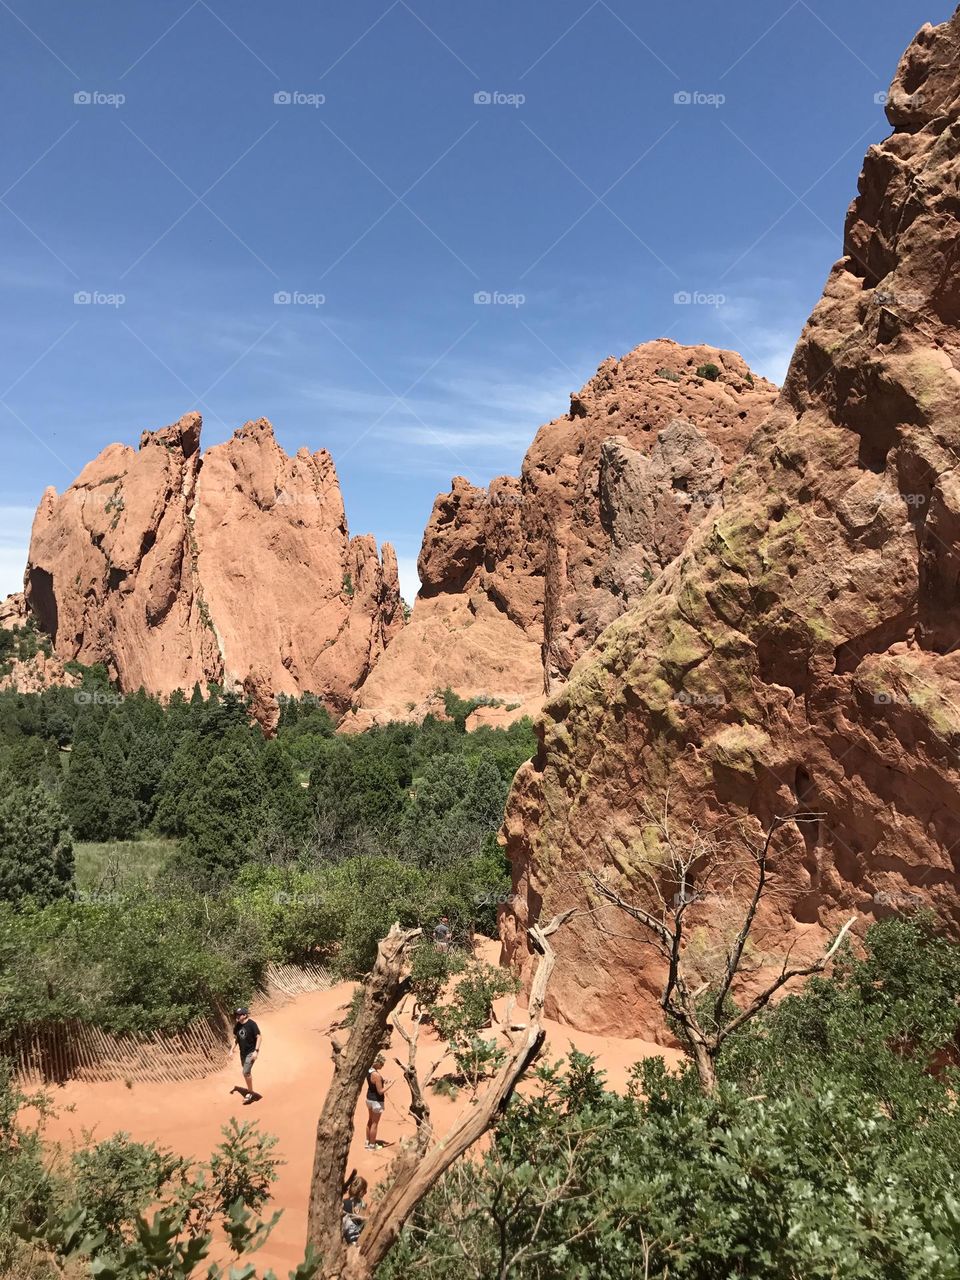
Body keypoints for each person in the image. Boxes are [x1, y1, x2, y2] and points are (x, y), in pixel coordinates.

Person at [230, 1007, 262, 1104]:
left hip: (251, 1052)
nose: (237, 1016)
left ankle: (250, 1093)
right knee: (246, 1071)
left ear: (244, 1015)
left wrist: (256, 1051)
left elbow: (259, 1037)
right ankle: (250, 1089)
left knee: (245, 1072)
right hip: (242, 1053)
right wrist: (231, 1050)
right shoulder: (238, 1026)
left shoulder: (252, 1024)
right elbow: (236, 1039)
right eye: (236, 1014)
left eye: (239, 1015)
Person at [365, 1053, 391, 1149]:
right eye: (381, 1064)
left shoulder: (369, 1071)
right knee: (375, 1124)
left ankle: (367, 1142)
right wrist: (390, 1085)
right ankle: (372, 1145)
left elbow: (374, 1082)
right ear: (377, 1063)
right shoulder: (376, 1075)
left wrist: (383, 1081)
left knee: (370, 1121)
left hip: (369, 1099)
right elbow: (380, 1091)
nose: (382, 1066)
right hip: (376, 1101)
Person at [341, 1173, 368, 1245]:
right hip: (356, 1240)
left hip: (347, 1240)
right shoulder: (361, 1205)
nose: (366, 1192)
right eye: (365, 1189)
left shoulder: (343, 1203)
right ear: (361, 1191)